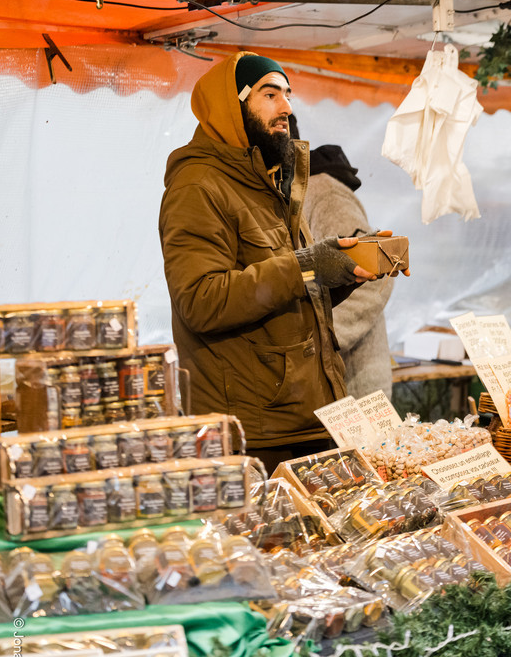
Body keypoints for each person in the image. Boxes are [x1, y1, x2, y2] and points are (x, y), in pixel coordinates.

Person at [159, 52, 383, 467]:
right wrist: (309, 265)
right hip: (253, 431)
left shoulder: (270, 181)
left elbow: (281, 293)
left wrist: (340, 274)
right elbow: (200, 301)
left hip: (306, 415)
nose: (287, 107)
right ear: (233, 103)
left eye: (288, 95)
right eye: (270, 94)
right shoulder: (198, 186)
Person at [303, 144, 397, 399]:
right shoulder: (293, 194)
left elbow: (375, 272)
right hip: (331, 381)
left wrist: (321, 340)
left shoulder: (324, 195)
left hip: (354, 382)